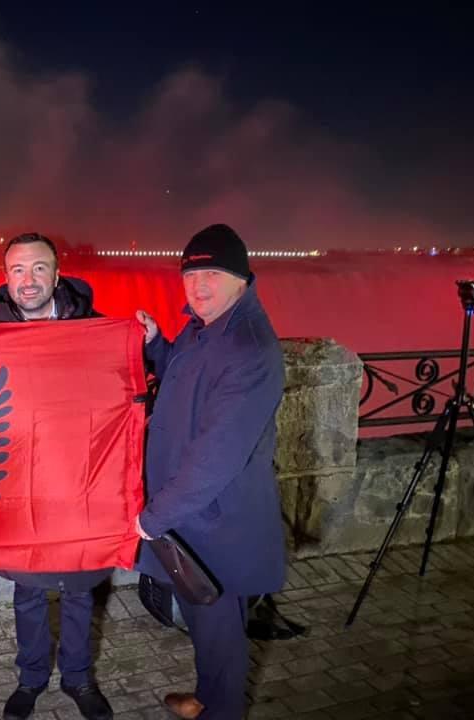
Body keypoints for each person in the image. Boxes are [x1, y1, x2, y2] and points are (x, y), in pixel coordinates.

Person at [134, 224, 287, 720]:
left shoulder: (248, 348)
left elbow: (218, 454)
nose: (199, 286)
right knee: (204, 623)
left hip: (218, 520)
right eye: (191, 274)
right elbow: (184, 374)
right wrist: (156, 344)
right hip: (194, 514)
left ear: (241, 278)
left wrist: (154, 517)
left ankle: (221, 709)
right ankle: (206, 697)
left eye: (213, 274)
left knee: (222, 632)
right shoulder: (206, 327)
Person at [0, 233, 113, 720]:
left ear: (57, 276)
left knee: (80, 587)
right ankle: (31, 678)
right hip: (22, 483)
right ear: (6, 278)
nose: (28, 280)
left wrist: (148, 339)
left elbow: (134, 373)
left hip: (81, 479)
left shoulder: (93, 329)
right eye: (18, 270)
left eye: (39, 268)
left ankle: (78, 678)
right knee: (29, 590)